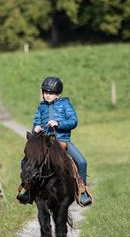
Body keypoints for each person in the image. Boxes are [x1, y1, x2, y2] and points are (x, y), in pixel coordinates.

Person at [17, 76, 93, 206]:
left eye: (50, 93)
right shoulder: (41, 107)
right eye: (45, 92)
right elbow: (36, 122)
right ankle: (27, 188)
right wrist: (36, 128)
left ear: (58, 93)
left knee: (82, 162)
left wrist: (58, 123)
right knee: (25, 161)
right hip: (45, 143)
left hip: (63, 141)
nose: (47, 95)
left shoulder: (65, 104)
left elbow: (73, 121)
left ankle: (82, 190)